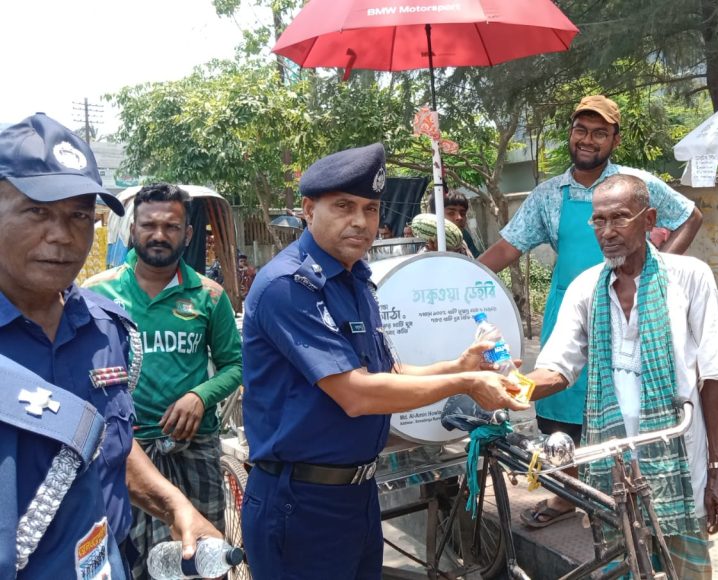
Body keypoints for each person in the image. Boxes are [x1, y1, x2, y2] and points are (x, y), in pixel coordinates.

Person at [240, 143, 527, 579]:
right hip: (299, 503)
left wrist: (460, 364)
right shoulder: (290, 285)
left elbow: (389, 375)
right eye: (343, 206)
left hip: (356, 496)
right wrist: (466, 383)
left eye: (370, 209)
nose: (360, 221)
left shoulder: (354, 279)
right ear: (307, 209)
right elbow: (356, 394)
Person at [0, 114, 220, 579]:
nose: (62, 235)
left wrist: (173, 503)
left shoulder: (105, 329)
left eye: (79, 215)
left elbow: (103, 441)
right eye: (37, 211)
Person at [479, 94, 704, 525]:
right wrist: (459, 276)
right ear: (571, 133)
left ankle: (629, 496)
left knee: (626, 402)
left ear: (614, 139)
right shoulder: (549, 194)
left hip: (627, 312)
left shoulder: (635, 185)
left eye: (600, 133)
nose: (588, 140)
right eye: (581, 130)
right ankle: (566, 494)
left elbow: (690, 215)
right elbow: (508, 247)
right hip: (569, 310)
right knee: (558, 406)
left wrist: (663, 271)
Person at [526, 174, 718, 578]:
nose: (607, 232)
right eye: (598, 220)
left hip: (678, 458)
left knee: (686, 568)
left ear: (649, 219)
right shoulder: (586, 288)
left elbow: (712, 375)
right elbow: (558, 366)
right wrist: (509, 385)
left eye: (619, 218)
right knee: (619, 562)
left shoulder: (689, 277)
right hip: (612, 461)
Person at [83, 183, 242, 578]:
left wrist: (200, 396)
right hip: (123, 453)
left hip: (194, 448)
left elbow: (236, 366)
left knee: (202, 558)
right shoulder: (95, 294)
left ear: (187, 235)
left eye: (171, 226)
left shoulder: (209, 295)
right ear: (132, 231)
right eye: (148, 225)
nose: (158, 234)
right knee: (129, 559)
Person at [428, 188, 481, 256]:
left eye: (462, 213)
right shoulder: (427, 249)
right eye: (451, 213)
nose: (459, 217)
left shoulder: (464, 236)